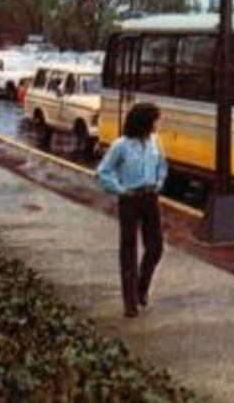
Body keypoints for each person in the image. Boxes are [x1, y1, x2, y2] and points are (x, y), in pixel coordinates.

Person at [97, 102, 168, 318]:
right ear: (145, 122)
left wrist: (159, 182)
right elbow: (103, 171)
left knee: (155, 247)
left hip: (151, 198)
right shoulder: (121, 145)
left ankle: (141, 287)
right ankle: (130, 302)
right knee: (128, 249)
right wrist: (120, 189)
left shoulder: (155, 142)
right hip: (130, 199)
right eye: (156, 120)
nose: (158, 124)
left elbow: (162, 164)